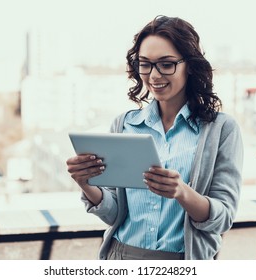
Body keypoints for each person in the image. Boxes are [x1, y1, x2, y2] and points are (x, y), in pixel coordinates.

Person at [66, 15, 243, 260]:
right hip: (120, 257)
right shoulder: (124, 125)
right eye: (145, 64)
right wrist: (86, 183)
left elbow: (222, 219)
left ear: (189, 65)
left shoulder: (221, 129)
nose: (154, 75)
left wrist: (182, 192)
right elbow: (113, 214)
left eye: (166, 64)